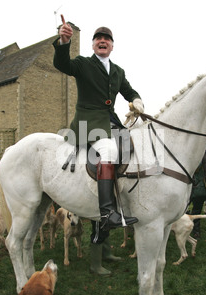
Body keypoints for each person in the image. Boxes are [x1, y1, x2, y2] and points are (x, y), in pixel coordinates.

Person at [53, 17, 142, 275]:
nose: (103, 41)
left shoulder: (118, 71)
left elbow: (129, 90)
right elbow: (62, 63)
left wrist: (137, 101)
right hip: (88, 122)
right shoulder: (82, 64)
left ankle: (107, 242)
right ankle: (107, 213)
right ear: (93, 45)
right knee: (109, 151)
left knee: (130, 149)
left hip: (111, 121)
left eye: (107, 39)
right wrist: (64, 42)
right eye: (98, 38)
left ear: (112, 46)